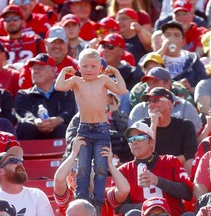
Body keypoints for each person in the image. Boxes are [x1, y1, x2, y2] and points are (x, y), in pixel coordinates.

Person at [55, 48, 127, 213]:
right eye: (85, 66)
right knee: (83, 165)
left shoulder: (103, 80)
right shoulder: (76, 81)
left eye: (93, 66)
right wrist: (64, 71)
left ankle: (98, 200)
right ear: (78, 67)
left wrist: (115, 71)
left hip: (101, 129)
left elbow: (122, 90)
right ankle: (81, 197)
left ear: (100, 68)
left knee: (101, 166)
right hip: (84, 129)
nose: (89, 70)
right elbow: (59, 86)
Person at [117, 121, 193, 215]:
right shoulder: (123, 171)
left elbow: (188, 193)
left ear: (151, 142)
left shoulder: (171, 161)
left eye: (139, 138)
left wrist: (158, 181)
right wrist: (150, 207)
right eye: (131, 139)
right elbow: (119, 206)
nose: (134, 142)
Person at [54, 136, 130, 215]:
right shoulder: (67, 197)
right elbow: (58, 180)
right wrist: (73, 154)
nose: (72, 173)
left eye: (78, 169)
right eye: (69, 170)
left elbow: (124, 190)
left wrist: (110, 165)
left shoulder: (104, 195)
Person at [0, 146, 55, 215]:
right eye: (13, 161)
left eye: (20, 161)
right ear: (1, 171)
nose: (19, 164)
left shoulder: (37, 195)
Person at [15, 53, 76, 140]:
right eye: (33, 68)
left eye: (40, 68)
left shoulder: (66, 91)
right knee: (25, 127)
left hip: (58, 132)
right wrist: (35, 121)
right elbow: (22, 113)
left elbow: (70, 110)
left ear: (53, 70)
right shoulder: (24, 94)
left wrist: (59, 119)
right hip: (34, 131)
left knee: (64, 128)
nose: (35, 71)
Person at [139, 87, 197, 174]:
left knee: (190, 163)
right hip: (150, 171)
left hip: (176, 169)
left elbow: (189, 155)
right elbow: (145, 155)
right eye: (149, 101)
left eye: (155, 100)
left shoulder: (185, 125)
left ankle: (187, 187)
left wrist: (163, 164)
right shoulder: (142, 125)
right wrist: (153, 125)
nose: (150, 104)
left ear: (169, 104)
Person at [129, 67, 202, 134]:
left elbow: (195, 134)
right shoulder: (139, 109)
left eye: (154, 83)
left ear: (167, 84)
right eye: (148, 84)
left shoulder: (185, 106)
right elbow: (133, 139)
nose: (149, 88)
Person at [157, 20, 207, 95]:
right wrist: (162, 50)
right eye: (167, 35)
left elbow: (205, 83)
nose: (171, 39)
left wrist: (190, 89)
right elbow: (139, 76)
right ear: (162, 40)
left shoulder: (192, 59)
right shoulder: (152, 58)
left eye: (176, 35)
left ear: (183, 42)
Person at [129, 52, 194, 109]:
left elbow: (190, 111)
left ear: (164, 68)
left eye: (156, 67)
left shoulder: (178, 88)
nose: (152, 71)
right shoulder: (137, 92)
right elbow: (135, 117)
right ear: (143, 71)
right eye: (148, 68)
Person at [0, 4, 46, 69]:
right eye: (7, 19)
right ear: (3, 23)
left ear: (23, 22)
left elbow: (43, 65)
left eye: (15, 18)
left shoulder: (35, 40)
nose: (11, 22)